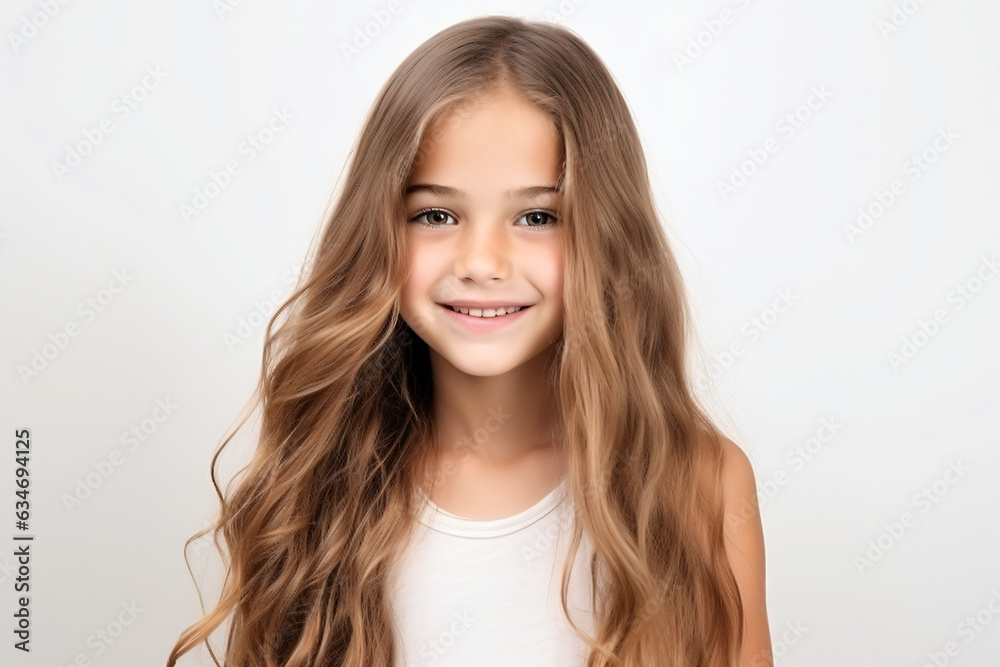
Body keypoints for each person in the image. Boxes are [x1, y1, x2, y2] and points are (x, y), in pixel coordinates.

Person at [167, 14, 772, 667]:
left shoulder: (699, 483)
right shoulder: (321, 481)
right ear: (380, 232)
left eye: (537, 216)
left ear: (606, 235)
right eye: (437, 214)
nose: (482, 261)